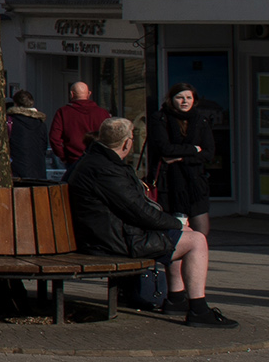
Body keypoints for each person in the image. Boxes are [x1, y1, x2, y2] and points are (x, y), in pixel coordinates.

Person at [69, 115, 231, 327]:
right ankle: (199, 310)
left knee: (185, 236)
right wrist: (176, 224)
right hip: (113, 241)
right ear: (127, 142)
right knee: (197, 240)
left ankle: (176, 299)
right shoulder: (106, 170)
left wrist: (174, 226)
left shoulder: (95, 161)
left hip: (106, 234)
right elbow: (139, 212)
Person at [151, 86, 218, 238]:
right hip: (169, 183)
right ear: (171, 99)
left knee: (201, 232)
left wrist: (181, 157)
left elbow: (208, 153)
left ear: (194, 100)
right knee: (174, 232)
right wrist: (194, 150)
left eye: (188, 97)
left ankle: (197, 260)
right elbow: (165, 149)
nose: (184, 101)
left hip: (195, 183)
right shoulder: (161, 118)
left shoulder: (201, 119)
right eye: (180, 97)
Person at [48, 80, 110, 166]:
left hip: (74, 160)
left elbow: (54, 138)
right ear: (89, 94)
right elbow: (109, 136)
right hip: (98, 159)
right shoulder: (102, 113)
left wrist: (63, 156)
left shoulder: (63, 112)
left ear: (71, 94)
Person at [5, 89, 53, 183]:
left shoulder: (10, 121)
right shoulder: (40, 123)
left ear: (16, 104)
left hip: (16, 169)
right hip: (38, 170)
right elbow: (44, 146)